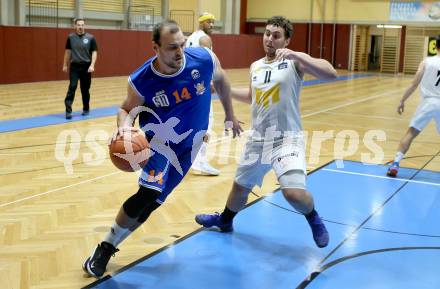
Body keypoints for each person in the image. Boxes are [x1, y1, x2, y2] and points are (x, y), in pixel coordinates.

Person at [82, 20, 243, 278]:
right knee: (147, 193)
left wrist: (230, 115)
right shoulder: (142, 79)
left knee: (152, 203)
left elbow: (222, 80)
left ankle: (111, 243)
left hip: (189, 148)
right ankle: (105, 247)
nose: (179, 52)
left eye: (181, 45)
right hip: (159, 144)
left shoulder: (202, 59)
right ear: (155, 47)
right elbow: (126, 109)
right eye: (171, 47)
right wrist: (124, 128)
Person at [195, 16, 337, 248]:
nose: (270, 39)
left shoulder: (295, 61)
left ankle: (314, 218)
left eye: (276, 35)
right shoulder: (256, 66)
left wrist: (297, 55)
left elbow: (331, 73)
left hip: (286, 138)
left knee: (293, 194)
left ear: (287, 40)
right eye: (267, 34)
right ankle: (225, 221)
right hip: (259, 138)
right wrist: (225, 91)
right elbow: (252, 97)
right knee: (240, 188)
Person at [387, 35, 440, 177]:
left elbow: (414, 83)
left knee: (410, 133)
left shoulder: (427, 62)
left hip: (428, 103)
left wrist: (402, 100)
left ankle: (396, 164)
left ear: (435, 47)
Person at [186, 12, 219, 175]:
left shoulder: (189, 38)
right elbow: (209, 61)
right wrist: (211, 80)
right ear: (202, 23)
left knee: (192, 123)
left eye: (213, 22)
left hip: (189, 86)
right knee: (207, 123)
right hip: (201, 86)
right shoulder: (205, 39)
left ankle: (187, 158)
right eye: (209, 22)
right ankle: (201, 162)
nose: (212, 25)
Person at [62, 18, 98, 119]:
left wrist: (92, 65)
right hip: (74, 66)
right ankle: (68, 111)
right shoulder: (71, 37)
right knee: (72, 87)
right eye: (78, 25)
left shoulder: (91, 38)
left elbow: (94, 52)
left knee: (85, 89)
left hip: (86, 67)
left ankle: (86, 109)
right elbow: (68, 52)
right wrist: (65, 64)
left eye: (82, 25)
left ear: (84, 26)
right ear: (75, 26)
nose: (80, 27)